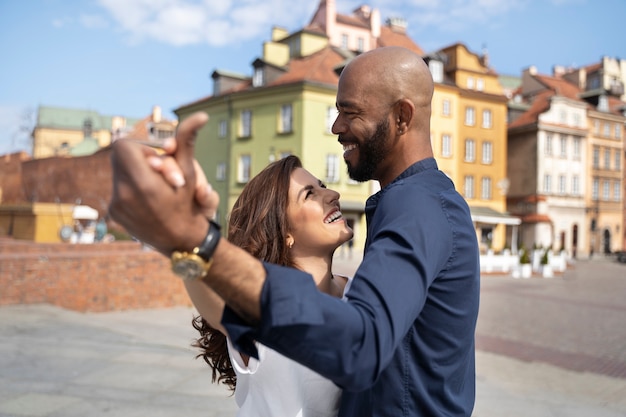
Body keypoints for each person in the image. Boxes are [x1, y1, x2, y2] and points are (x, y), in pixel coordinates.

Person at [109, 46, 480, 416]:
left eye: (350, 112)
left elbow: (361, 345)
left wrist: (197, 241)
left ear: (402, 116)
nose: (336, 127)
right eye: (337, 112)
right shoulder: (413, 206)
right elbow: (220, 305)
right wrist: (185, 240)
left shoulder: (417, 207)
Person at [185, 155, 352, 416]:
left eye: (322, 186)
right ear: (285, 232)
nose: (333, 194)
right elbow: (208, 291)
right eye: (309, 194)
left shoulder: (358, 293)